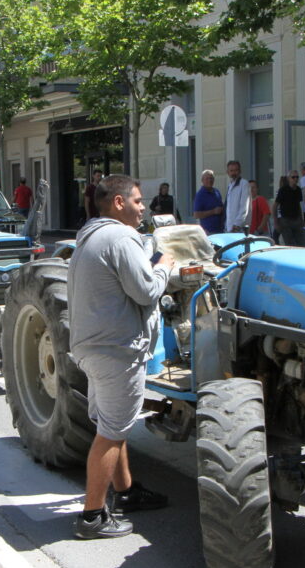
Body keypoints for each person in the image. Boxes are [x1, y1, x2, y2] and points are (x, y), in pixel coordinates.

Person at [69, 174, 175, 539]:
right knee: (112, 433)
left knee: (112, 425)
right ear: (118, 203)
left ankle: (127, 493)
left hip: (93, 347)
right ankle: (92, 517)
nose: (143, 207)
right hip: (117, 350)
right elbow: (146, 291)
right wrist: (165, 264)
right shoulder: (120, 236)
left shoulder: (92, 236)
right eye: (137, 201)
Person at [275, 171, 305, 247]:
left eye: (297, 177)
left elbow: (299, 205)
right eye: (293, 177)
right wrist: (276, 222)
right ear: (289, 178)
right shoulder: (283, 190)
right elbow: (275, 206)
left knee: (303, 242)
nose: (295, 179)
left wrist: (302, 219)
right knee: (290, 244)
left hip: (296, 219)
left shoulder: (298, 190)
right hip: (285, 220)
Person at [193, 170, 224, 234]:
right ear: (202, 180)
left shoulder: (216, 192)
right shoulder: (200, 195)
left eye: (211, 178)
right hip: (208, 230)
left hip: (220, 229)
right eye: (207, 178)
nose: (209, 180)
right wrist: (213, 211)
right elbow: (196, 214)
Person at [224, 160, 251, 232]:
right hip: (229, 226)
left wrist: (237, 224)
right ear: (228, 172)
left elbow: (244, 207)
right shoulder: (230, 185)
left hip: (239, 227)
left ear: (240, 171)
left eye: (236, 170)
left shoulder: (244, 184)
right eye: (231, 170)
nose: (233, 173)